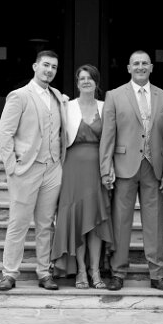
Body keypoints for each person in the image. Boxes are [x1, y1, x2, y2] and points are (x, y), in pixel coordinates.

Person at [99, 50, 163, 291]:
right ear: (128, 68)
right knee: (121, 222)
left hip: (154, 168)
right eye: (136, 63)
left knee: (154, 222)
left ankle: (157, 274)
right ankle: (118, 272)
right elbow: (107, 135)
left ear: (151, 67)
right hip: (124, 167)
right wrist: (105, 168)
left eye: (144, 63)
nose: (140, 67)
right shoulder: (114, 95)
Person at [0, 50, 67, 292]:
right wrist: (11, 167)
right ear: (35, 66)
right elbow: (4, 132)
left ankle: (44, 272)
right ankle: (9, 273)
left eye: (54, 67)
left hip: (52, 168)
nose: (49, 70)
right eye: (46, 65)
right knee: (18, 223)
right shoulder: (19, 96)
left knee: (46, 224)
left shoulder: (58, 96)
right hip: (26, 169)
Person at [52, 64, 113, 289]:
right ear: (77, 83)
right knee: (77, 221)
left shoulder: (106, 107)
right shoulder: (66, 107)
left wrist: (110, 168)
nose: (86, 81)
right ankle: (80, 271)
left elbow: (112, 140)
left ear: (96, 82)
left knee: (95, 221)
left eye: (90, 78)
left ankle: (95, 271)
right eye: (82, 78)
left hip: (98, 169)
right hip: (72, 170)